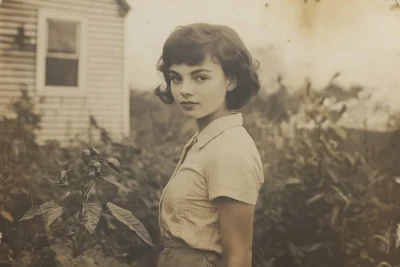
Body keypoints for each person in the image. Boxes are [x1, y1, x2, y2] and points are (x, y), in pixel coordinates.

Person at [153, 22, 264, 267]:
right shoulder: (208, 141)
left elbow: (239, 254)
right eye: (176, 78)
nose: (185, 90)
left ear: (231, 81)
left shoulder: (229, 149)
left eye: (200, 77)